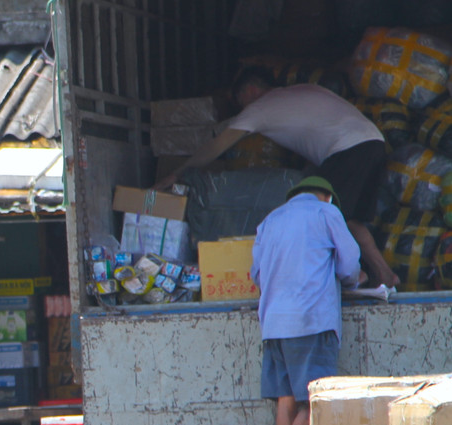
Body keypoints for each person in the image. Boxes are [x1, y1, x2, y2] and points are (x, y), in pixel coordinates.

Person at [160, 67, 398, 288]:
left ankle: (353, 276)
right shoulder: (301, 91)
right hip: (373, 142)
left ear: (250, 91)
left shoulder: (260, 107)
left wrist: (177, 173)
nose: (240, 109)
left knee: (318, 218)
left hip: (347, 150)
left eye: (237, 101)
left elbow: (216, 147)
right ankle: (385, 274)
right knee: (351, 220)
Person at [250, 176, 363, 425]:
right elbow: (350, 265)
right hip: (310, 319)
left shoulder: (270, 220)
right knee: (315, 398)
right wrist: (351, 278)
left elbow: (256, 274)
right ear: (326, 196)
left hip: (273, 323)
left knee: (285, 397)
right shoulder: (326, 213)